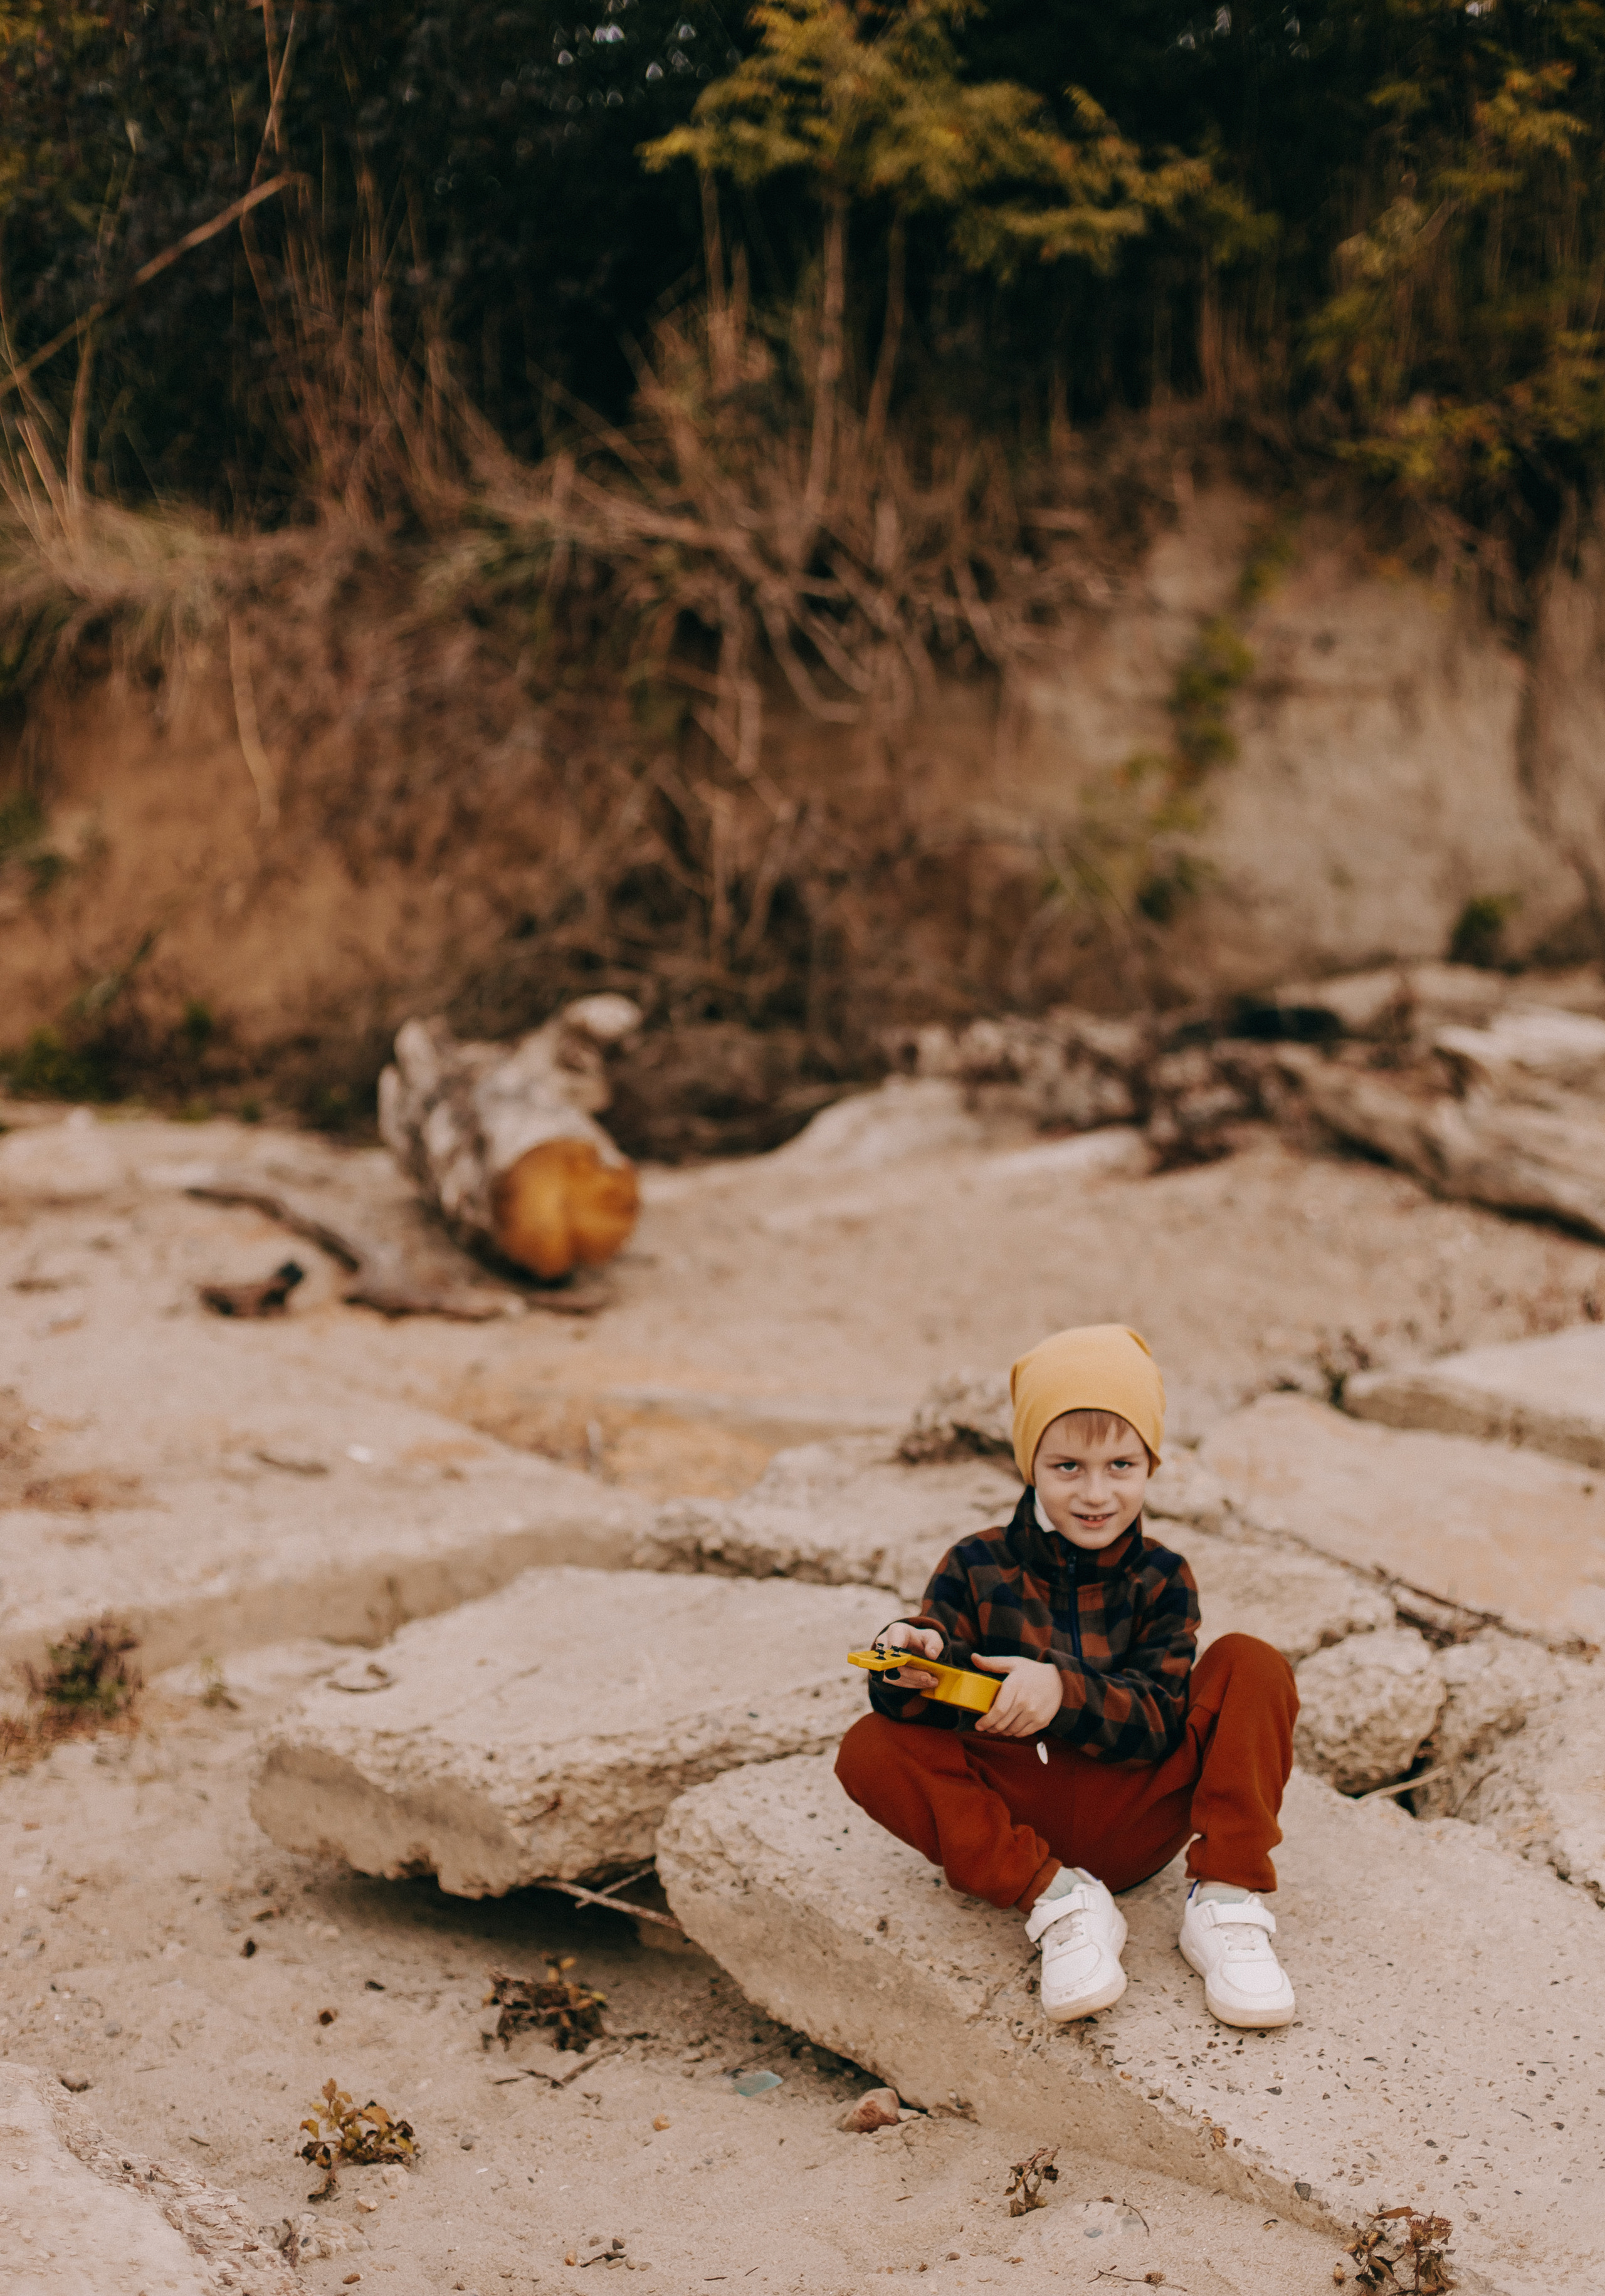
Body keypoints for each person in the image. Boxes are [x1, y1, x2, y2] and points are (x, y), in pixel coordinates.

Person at [834, 1324, 1298, 2028]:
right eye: (1067, 1467)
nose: (1096, 1493)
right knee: (869, 1745)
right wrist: (913, 1658)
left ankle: (1225, 1903)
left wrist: (1061, 1691)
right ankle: (1060, 1904)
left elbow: (1156, 1724)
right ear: (1030, 1465)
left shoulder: (1162, 1578)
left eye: (1120, 1465)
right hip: (1022, 1816)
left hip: (1137, 1811)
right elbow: (923, 1710)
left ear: (1151, 1466)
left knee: (1251, 1663)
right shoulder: (974, 1563)